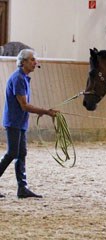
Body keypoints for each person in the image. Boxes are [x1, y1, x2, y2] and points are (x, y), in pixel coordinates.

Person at [0, 49, 58, 198]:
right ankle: (22, 187)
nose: (35, 63)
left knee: (21, 153)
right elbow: (24, 105)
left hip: (20, 121)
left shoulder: (23, 78)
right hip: (14, 121)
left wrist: (41, 111)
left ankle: (22, 188)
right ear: (23, 62)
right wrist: (45, 111)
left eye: (35, 60)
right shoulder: (19, 79)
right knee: (12, 153)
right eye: (32, 60)